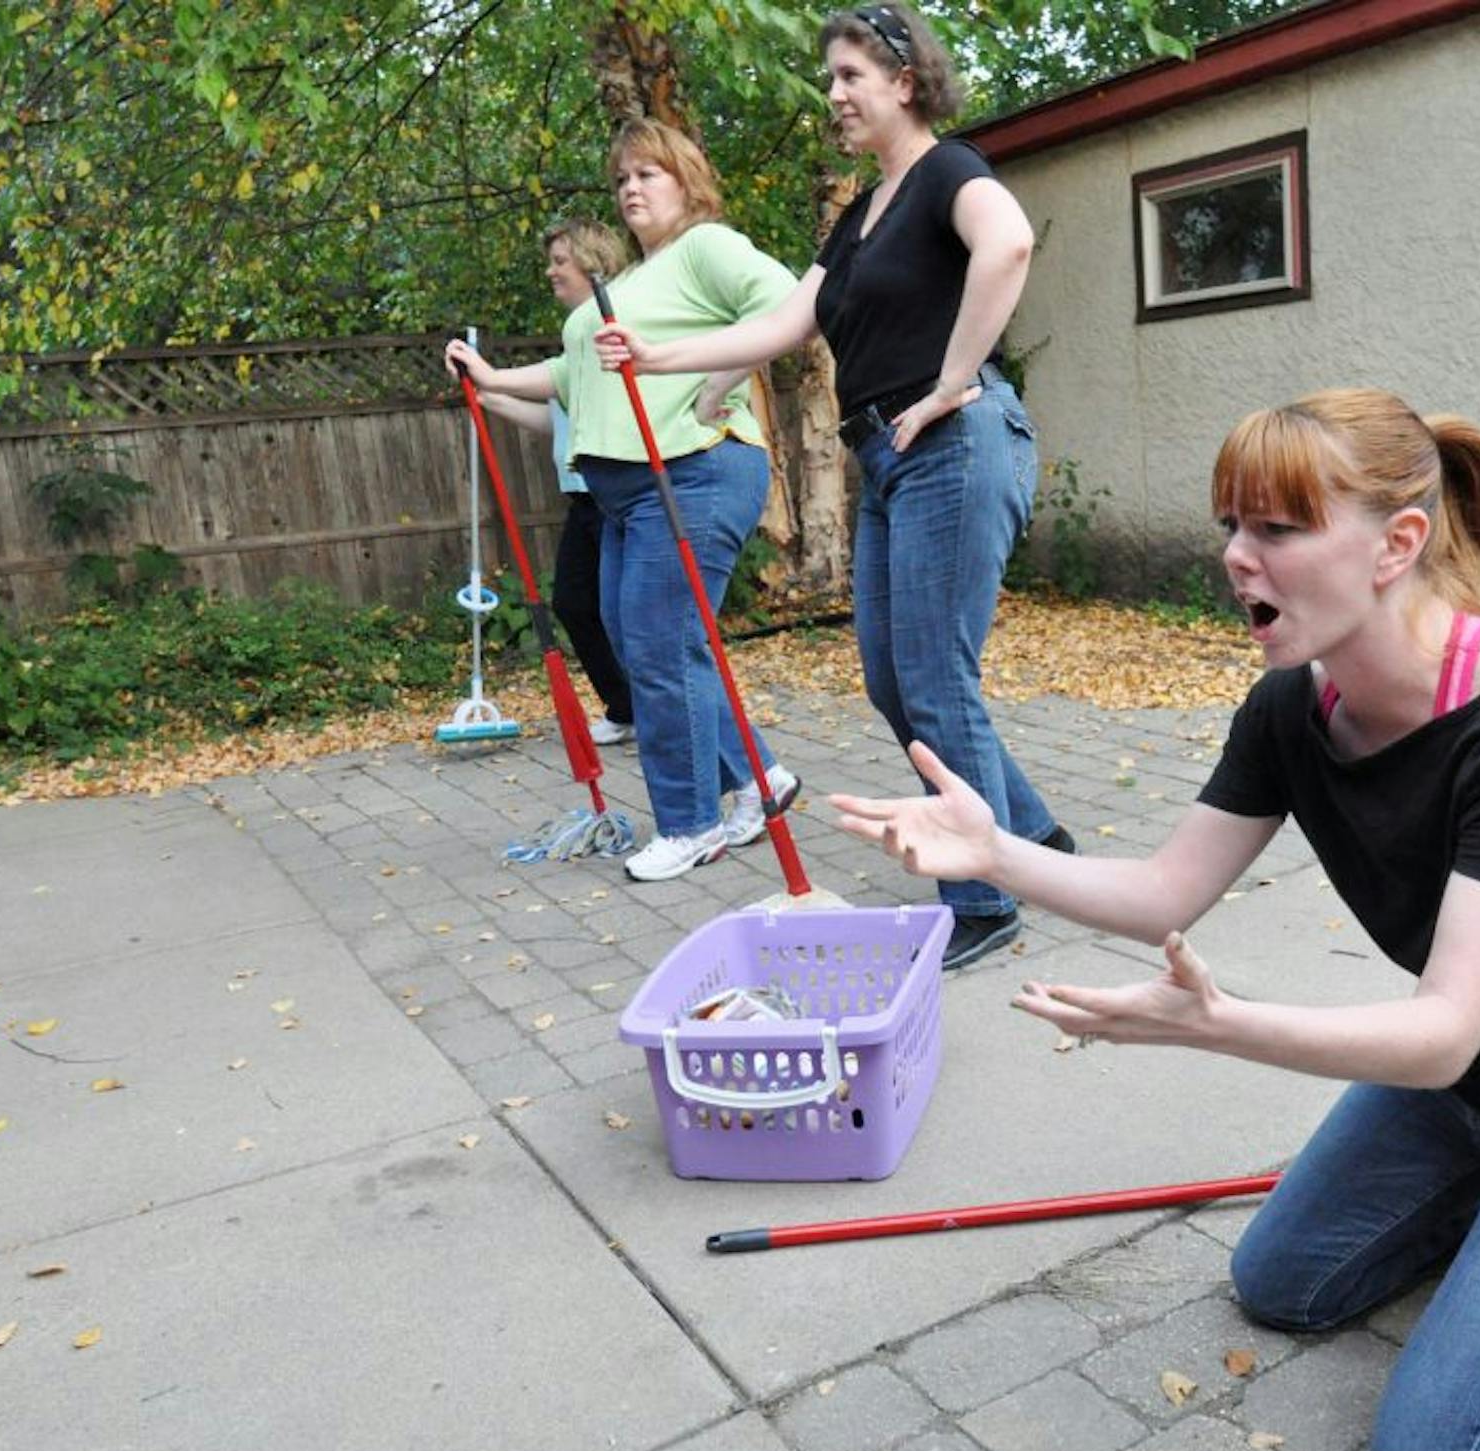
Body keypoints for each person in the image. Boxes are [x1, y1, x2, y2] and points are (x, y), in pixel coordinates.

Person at [829, 389, 1480, 1451]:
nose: (1237, 559)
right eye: (1230, 527)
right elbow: (1164, 893)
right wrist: (993, 849)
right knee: (1281, 1288)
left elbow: (1442, 1031)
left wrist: (1217, 1022)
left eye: (1278, 531)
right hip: (1466, 1093)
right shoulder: (1294, 708)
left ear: (1399, 544)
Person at [592, 3, 1071, 967]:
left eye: (851, 76)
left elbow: (1009, 244)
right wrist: (658, 356)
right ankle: (1032, 835)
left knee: (934, 678)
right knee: (897, 685)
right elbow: (783, 325)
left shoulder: (948, 171)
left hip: (954, 440)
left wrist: (954, 380)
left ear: (905, 81)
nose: (835, 95)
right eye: (832, 79)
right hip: (888, 455)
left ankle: (983, 901)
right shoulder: (862, 214)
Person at [448, 121, 802, 882]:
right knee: (657, 641)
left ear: (687, 180)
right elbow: (568, 377)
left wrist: (721, 381)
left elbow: (787, 303)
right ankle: (760, 779)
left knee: (657, 647)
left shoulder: (706, 247)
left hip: (692, 473)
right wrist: (490, 377)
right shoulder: (627, 285)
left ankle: (690, 822)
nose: (632, 188)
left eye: (650, 173)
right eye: (622, 179)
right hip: (625, 492)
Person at [465, 218, 635, 747]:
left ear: (593, 263)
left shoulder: (605, 331)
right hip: (582, 497)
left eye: (561, 261)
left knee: (619, 610)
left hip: (615, 494)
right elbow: (557, 423)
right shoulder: (578, 338)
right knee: (575, 603)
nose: (551, 271)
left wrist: (490, 377)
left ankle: (652, 707)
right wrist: (487, 395)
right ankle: (627, 707)